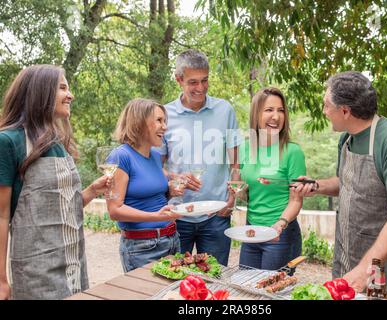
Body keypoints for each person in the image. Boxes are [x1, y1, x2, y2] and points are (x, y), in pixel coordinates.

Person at [295, 71, 387, 292]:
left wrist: (366, 269)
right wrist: (317, 186)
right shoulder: (347, 139)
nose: (324, 112)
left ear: (345, 110)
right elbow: (349, 184)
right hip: (348, 262)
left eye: (326, 105)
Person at [0, 64, 111, 300]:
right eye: (63, 88)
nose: (70, 95)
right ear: (41, 91)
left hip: (74, 267)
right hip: (35, 274)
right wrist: (1, 280)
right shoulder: (8, 142)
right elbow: (0, 215)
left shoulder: (58, 144)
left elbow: (61, 210)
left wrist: (91, 191)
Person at [158, 49, 243, 266]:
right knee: (175, 279)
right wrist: (176, 177)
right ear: (179, 80)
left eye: (205, 80)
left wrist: (232, 200)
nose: (201, 88)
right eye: (193, 82)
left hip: (216, 215)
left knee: (215, 280)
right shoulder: (164, 115)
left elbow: (236, 163)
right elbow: (156, 168)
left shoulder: (225, 110)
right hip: (177, 215)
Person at [232, 87, 305, 272]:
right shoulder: (246, 148)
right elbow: (247, 193)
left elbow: (296, 200)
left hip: (280, 236)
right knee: (246, 288)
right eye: (269, 110)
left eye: (281, 110)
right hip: (251, 233)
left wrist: (280, 224)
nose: (276, 116)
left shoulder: (292, 151)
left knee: (273, 291)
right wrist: (237, 191)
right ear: (256, 115)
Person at [106, 98, 182, 272]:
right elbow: (114, 210)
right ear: (139, 122)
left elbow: (152, 195)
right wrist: (156, 217)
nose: (165, 127)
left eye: (165, 121)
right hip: (142, 248)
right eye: (159, 121)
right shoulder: (121, 156)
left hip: (171, 240)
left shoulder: (155, 156)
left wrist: (170, 191)